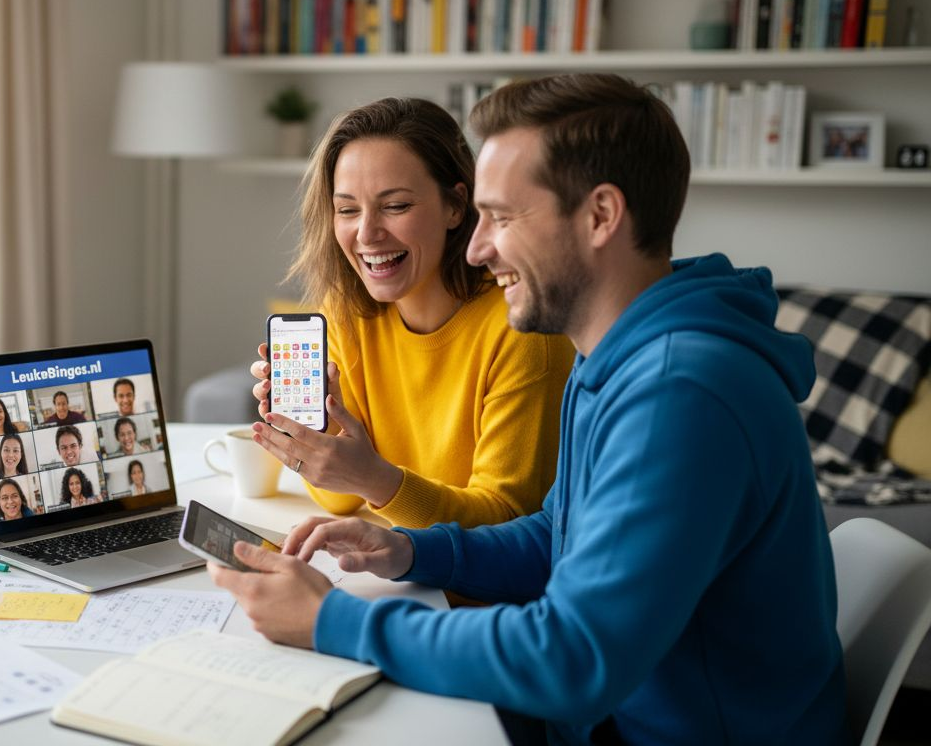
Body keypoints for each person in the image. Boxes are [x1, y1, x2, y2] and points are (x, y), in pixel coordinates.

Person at [211, 74, 844, 743]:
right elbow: (558, 536)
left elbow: (574, 659)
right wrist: (409, 550)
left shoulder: (681, 394)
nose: (477, 247)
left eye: (503, 217)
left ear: (601, 216)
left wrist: (331, 621)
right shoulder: (617, 355)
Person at [249, 97, 572, 528]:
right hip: (389, 556)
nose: (367, 233)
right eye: (347, 210)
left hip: (468, 572)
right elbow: (341, 500)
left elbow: (505, 520)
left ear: (455, 206)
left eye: (396, 206)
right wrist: (316, 435)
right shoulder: (345, 316)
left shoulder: (520, 328)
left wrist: (376, 480)